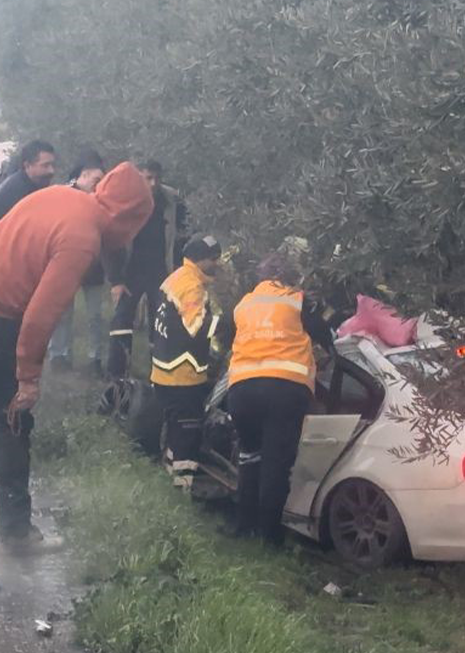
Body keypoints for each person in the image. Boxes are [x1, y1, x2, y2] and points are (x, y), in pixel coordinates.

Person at [0, 162, 153, 551]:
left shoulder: (59, 196)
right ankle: (16, 533)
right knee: (12, 421)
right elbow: (41, 313)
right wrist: (28, 377)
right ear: (125, 216)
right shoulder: (82, 237)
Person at [225, 252, 333, 544]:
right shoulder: (297, 300)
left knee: (250, 455)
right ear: (290, 277)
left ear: (261, 277)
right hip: (285, 390)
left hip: (242, 390)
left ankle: (243, 526)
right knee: (275, 463)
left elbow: (223, 338)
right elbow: (326, 334)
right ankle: (270, 537)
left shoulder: (244, 304)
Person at [150, 235, 226, 489]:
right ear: (200, 259)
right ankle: (181, 488)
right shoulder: (192, 286)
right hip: (183, 376)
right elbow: (195, 325)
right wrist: (226, 327)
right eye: (213, 259)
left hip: (163, 372)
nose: (216, 263)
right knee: (187, 432)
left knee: (174, 430)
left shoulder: (176, 278)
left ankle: (169, 480)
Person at [106, 158, 189, 378]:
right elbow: (111, 241)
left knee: (160, 322)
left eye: (157, 178)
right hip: (130, 272)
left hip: (162, 271)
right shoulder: (125, 199)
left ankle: (159, 373)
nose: (153, 184)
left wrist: (181, 272)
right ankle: (117, 375)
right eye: (147, 178)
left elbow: (183, 237)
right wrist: (116, 280)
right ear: (138, 178)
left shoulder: (172, 200)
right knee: (122, 320)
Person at [49, 149, 109, 374]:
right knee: (63, 312)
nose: (99, 184)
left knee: (95, 315)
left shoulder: (102, 199)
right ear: (83, 174)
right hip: (65, 264)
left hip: (94, 265)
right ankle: (59, 355)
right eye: (96, 179)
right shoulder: (62, 196)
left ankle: (96, 358)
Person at [0, 139, 56, 225]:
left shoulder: (32, 185)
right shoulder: (15, 193)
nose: (51, 171)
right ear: (27, 166)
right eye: (45, 165)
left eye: (52, 165)